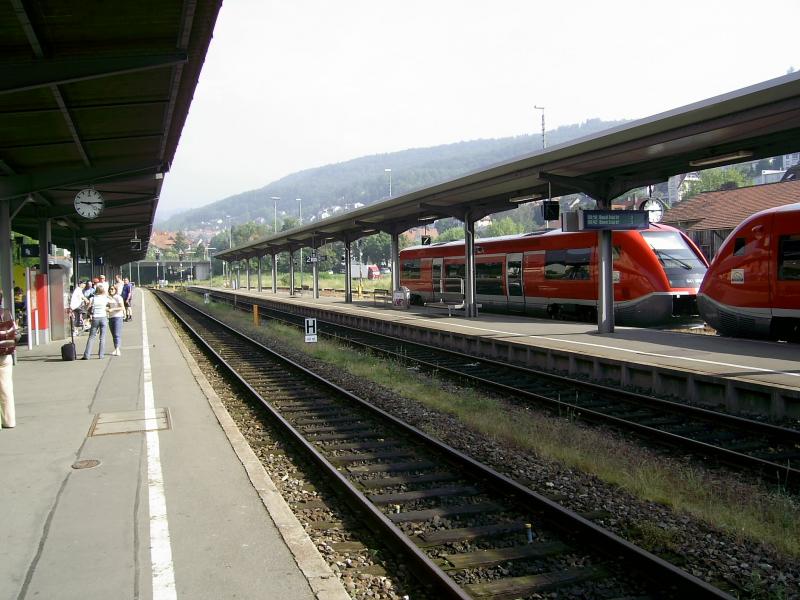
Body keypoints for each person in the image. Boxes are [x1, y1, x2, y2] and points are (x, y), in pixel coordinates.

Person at [82, 283, 109, 359]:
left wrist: (89, 311)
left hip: (95, 318)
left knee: (91, 337)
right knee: (102, 337)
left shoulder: (92, 298)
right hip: (103, 317)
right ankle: (101, 355)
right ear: (103, 291)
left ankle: (87, 355)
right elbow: (111, 302)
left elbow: (87, 308)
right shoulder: (105, 298)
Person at [0, 306, 16, 429]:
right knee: (6, 389)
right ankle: (9, 421)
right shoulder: (7, 313)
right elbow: (15, 332)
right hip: (6, 355)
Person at [107, 284, 125, 356]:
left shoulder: (118, 297)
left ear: (115, 290)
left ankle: (118, 349)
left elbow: (122, 307)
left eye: (112, 289)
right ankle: (116, 349)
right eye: (110, 289)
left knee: (117, 334)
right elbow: (108, 306)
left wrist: (113, 309)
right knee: (113, 334)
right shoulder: (109, 298)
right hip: (111, 317)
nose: (110, 290)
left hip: (118, 317)